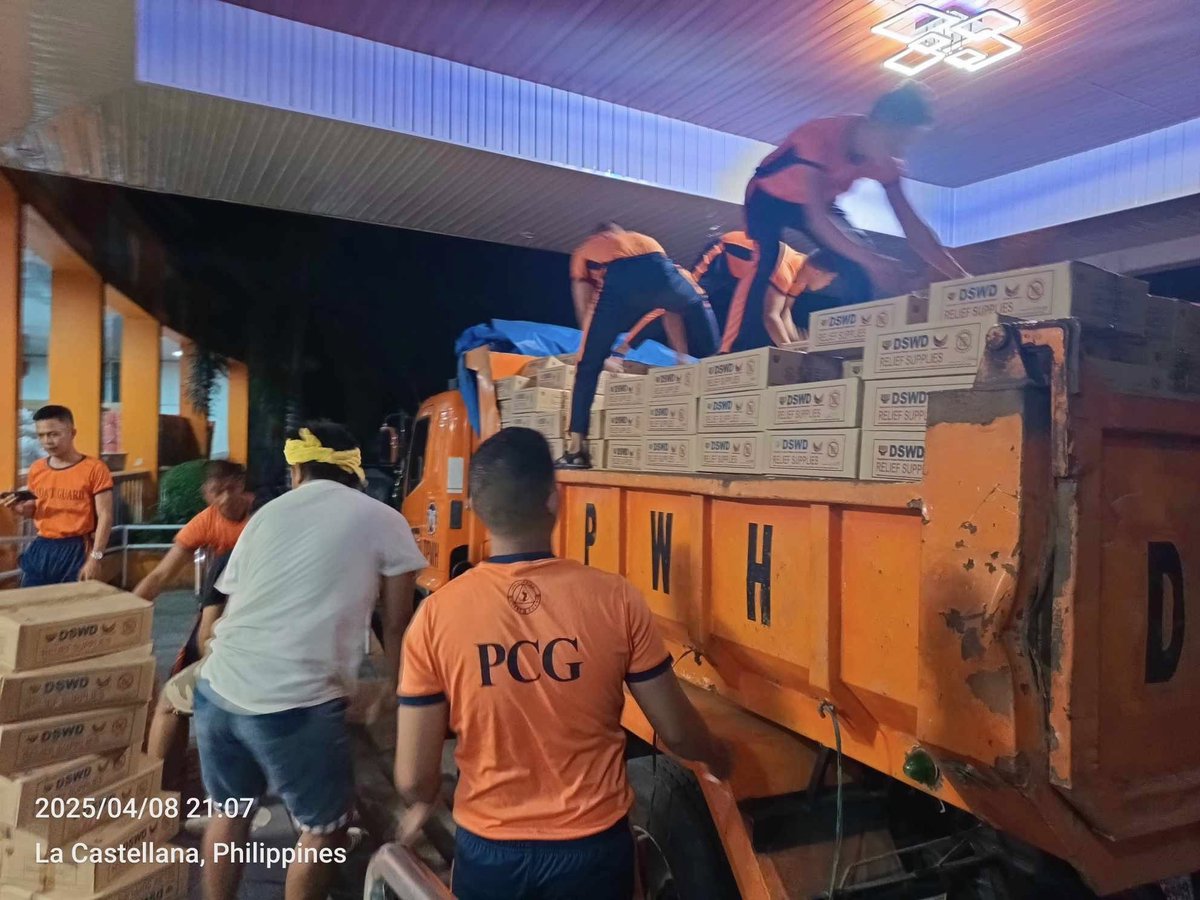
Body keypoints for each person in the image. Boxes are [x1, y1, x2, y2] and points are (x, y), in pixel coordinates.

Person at [395, 428, 729, 900]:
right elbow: (676, 732)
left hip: (489, 853)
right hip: (592, 851)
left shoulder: (434, 618)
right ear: (554, 500)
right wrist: (719, 757)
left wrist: (425, 798)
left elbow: (412, 776)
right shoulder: (615, 599)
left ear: (476, 508)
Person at [192, 421, 426, 900]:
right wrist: (392, 693)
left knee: (229, 814)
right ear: (355, 471)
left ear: (296, 468)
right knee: (325, 830)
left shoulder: (265, 515)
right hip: (292, 703)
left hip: (217, 688)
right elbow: (399, 622)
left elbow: (235, 607)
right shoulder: (383, 518)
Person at [743, 81, 967, 320]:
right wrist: (873, 262)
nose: (899, 153)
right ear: (878, 122)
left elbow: (913, 227)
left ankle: (851, 340)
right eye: (895, 142)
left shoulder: (887, 163)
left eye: (905, 145)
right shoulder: (818, 137)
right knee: (767, 265)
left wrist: (960, 277)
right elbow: (816, 217)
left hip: (820, 203)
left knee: (859, 264)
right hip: (767, 199)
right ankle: (739, 347)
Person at [133, 460, 255, 792]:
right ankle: (167, 784)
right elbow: (160, 575)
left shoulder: (263, 521)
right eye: (217, 492)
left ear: (244, 487)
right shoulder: (205, 525)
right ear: (206, 494)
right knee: (178, 694)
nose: (225, 498)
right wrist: (126, 614)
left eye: (232, 488)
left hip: (258, 613)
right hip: (220, 608)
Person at [561, 222, 719, 469]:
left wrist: (590, 344)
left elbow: (582, 294)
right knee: (700, 309)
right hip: (662, 267)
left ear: (601, 235)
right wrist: (681, 356)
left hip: (621, 279)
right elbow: (671, 310)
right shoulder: (642, 239)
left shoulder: (587, 249)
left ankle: (576, 450)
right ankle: (725, 379)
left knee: (587, 366)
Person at [618, 233, 836, 353]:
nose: (828, 284)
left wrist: (798, 345)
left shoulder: (800, 275)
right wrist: (792, 352)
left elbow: (784, 314)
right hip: (721, 255)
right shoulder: (784, 270)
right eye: (829, 279)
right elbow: (771, 317)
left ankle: (684, 356)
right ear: (817, 271)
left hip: (740, 276)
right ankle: (624, 348)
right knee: (680, 300)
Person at [1, 405, 113, 586]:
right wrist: (19, 508)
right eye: (41, 435)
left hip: (76, 548)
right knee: (31, 605)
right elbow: (35, 508)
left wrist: (95, 558)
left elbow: (106, 516)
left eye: (54, 434)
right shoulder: (37, 469)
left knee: (70, 608)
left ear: (72, 432)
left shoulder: (95, 469)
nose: (47, 441)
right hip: (43, 546)